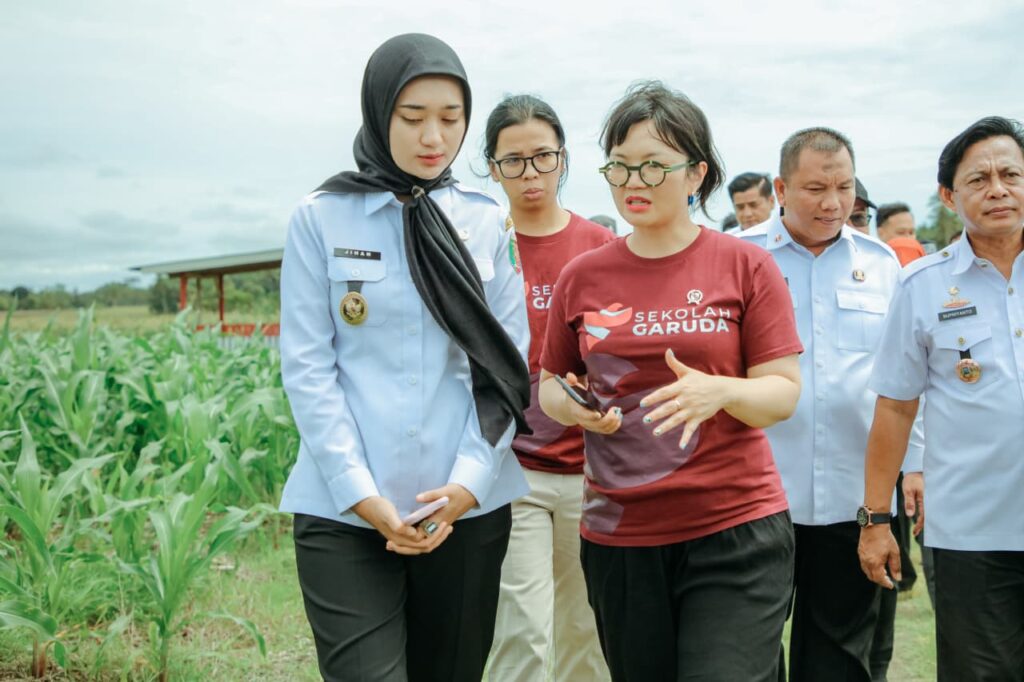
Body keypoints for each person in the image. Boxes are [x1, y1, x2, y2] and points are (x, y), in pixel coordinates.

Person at [277, 34, 533, 682]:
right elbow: (309, 367)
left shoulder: (485, 222)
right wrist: (360, 494)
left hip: (464, 509)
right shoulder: (322, 217)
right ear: (378, 110)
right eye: (412, 116)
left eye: (451, 118)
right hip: (344, 511)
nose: (433, 136)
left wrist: (471, 482)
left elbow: (506, 367)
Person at [540, 81, 803, 681]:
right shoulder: (582, 276)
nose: (635, 182)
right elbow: (552, 382)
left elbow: (783, 392)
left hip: (734, 527)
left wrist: (724, 391)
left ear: (696, 174)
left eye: (655, 167)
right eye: (621, 167)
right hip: (620, 537)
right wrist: (574, 409)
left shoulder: (745, 264)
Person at [738, 127, 917, 682]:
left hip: (854, 500)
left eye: (843, 187)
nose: (833, 201)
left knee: (842, 661)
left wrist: (913, 468)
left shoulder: (883, 264)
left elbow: (907, 382)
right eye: (816, 187)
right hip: (754, 500)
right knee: (747, 655)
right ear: (781, 189)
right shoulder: (739, 257)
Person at [859, 115, 1024, 681]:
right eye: (979, 179)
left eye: (1011, 174)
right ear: (949, 196)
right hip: (971, 535)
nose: (998, 189)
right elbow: (896, 407)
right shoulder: (923, 285)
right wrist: (876, 520)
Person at [482, 94, 614, 682]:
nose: (530, 173)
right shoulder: (479, 249)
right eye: (513, 161)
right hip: (515, 469)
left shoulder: (601, 250)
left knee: (587, 630)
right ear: (491, 166)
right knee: (523, 630)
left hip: (594, 470)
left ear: (563, 159)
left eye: (542, 157)